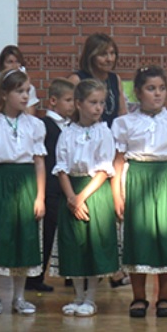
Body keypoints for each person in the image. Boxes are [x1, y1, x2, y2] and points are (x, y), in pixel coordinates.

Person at [112, 66, 167, 319]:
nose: (157, 94)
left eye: (161, 88)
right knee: (138, 239)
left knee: (166, 238)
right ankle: (138, 297)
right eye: (151, 89)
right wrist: (117, 194)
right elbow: (118, 161)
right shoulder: (124, 123)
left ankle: (164, 297)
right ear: (138, 92)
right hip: (137, 178)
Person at [0, 69, 48, 316]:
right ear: (4, 94)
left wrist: (40, 196)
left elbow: (39, 162)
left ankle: (19, 297)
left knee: (25, 239)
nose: (25, 96)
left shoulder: (35, 125)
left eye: (27, 91)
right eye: (19, 91)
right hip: (1, 181)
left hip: (26, 182)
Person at [52, 79, 121, 318]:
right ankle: (78, 296)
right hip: (72, 191)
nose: (98, 108)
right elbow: (61, 167)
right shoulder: (67, 132)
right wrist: (71, 197)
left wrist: (81, 197)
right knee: (74, 245)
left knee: (94, 245)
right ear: (79, 104)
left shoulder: (104, 132)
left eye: (101, 103)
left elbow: (104, 168)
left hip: (94, 192)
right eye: (93, 102)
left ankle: (90, 297)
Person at [29, 79, 75, 292]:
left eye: (74, 100)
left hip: (66, 185)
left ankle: (70, 273)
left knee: (66, 231)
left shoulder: (71, 126)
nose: (72, 105)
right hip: (49, 186)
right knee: (46, 232)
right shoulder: (44, 126)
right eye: (68, 100)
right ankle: (34, 277)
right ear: (53, 101)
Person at [68, 34, 127, 125]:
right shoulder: (77, 79)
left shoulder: (115, 79)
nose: (109, 59)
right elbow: (68, 112)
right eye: (103, 54)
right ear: (91, 56)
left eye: (112, 53)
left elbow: (122, 112)